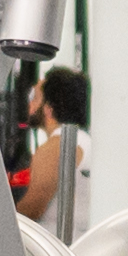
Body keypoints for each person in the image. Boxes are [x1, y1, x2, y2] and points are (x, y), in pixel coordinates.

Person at [13, 65, 91, 234]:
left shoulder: (59, 145)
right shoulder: (82, 140)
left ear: (49, 109)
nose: (30, 105)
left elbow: (30, 210)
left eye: (35, 98)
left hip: (60, 251)